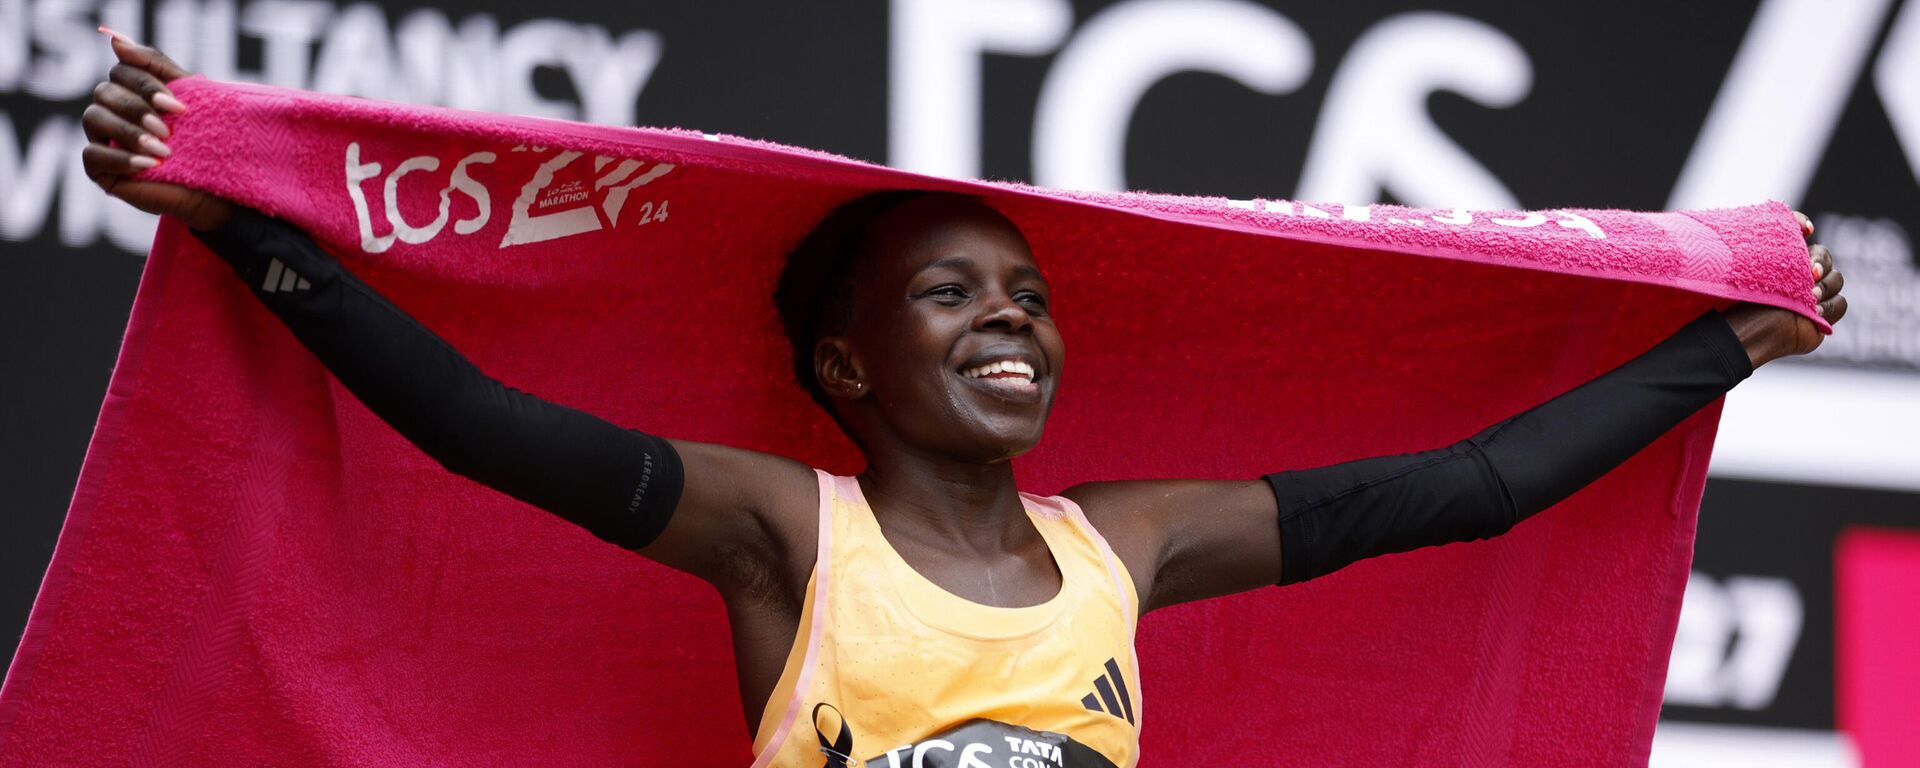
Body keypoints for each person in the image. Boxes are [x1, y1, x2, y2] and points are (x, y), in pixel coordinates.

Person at [80, 32, 1847, 768]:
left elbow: (1466, 485)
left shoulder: (1129, 551)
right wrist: (248, 225)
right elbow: (474, 422)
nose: (1011, 326)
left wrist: (1722, 349)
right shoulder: (786, 533)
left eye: (1028, 297)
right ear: (850, 368)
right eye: (951, 298)